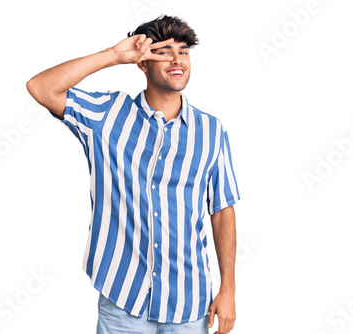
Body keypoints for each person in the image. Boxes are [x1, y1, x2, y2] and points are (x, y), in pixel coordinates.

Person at [26, 14, 240, 334]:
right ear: (143, 62)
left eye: (183, 51)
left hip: (189, 304)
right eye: (164, 51)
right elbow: (41, 88)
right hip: (122, 300)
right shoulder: (107, 116)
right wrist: (114, 55)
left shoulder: (211, 130)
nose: (176, 59)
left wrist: (228, 290)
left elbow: (223, 210)